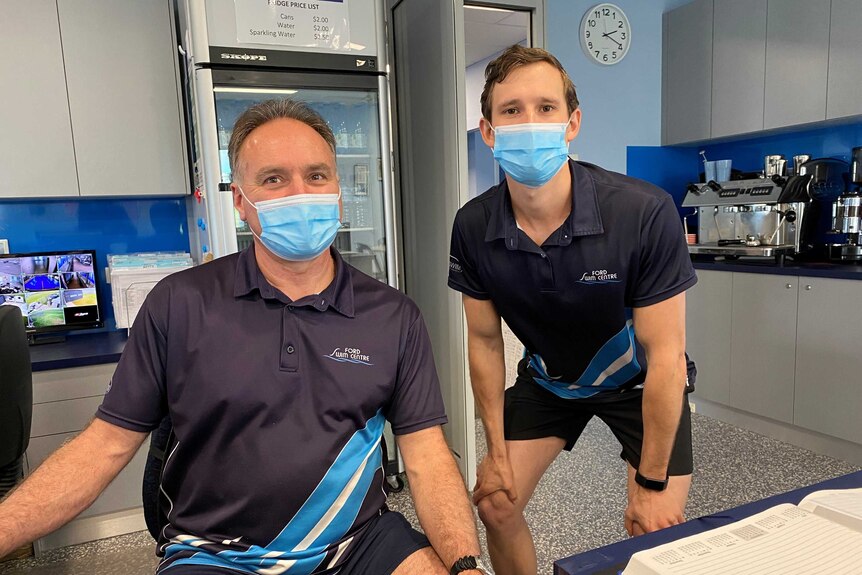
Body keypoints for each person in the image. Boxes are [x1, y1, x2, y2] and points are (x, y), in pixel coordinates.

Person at [0, 99, 485, 575]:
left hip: (357, 544)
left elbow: (426, 456)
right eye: (274, 179)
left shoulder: (394, 316)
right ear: (241, 201)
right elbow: (102, 446)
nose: (301, 193)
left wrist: (466, 565)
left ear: (337, 189)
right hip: (215, 554)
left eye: (317, 176)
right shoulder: (179, 304)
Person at [448, 45, 697, 575]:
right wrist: (493, 451)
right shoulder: (473, 226)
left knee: (653, 525)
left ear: (572, 122)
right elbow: (485, 341)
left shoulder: (641, 212)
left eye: (545, 108)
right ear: (488, 131)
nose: (529, 122)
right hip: (552, 380)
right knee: (495, 503)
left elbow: (667, 357)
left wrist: (651, 483)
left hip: (639, 382)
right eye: (511, 110)